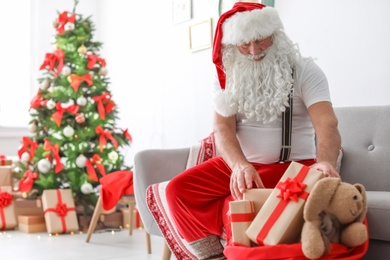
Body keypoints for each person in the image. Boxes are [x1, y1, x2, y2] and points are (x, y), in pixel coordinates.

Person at [166, 3, 341, 259]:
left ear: (275, 34)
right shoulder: (227, 73)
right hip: (240, 165)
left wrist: (325, 161)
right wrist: (238, 165)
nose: (253, 51)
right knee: (178, 191)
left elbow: (326, 123)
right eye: (244, 45)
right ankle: (212, 255)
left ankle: (238, 244)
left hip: (290, 166)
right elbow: (222, 127)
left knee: (236, 204)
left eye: (260, 40)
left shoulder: (305, 71)